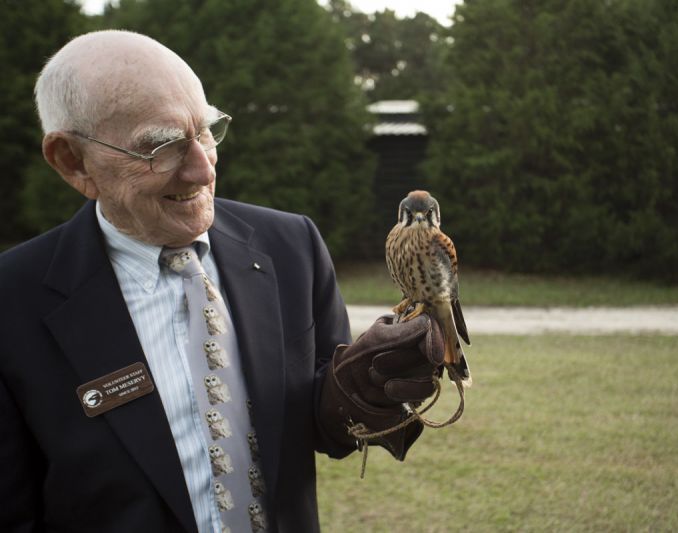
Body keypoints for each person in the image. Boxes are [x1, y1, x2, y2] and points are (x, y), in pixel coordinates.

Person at [0, 30, 444, 533]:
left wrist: (363, 396)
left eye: (207, 131)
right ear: (72, 160)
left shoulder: (290, 245)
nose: (202, 167)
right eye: (161, 145)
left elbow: (322, 422)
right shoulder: (12, 302)